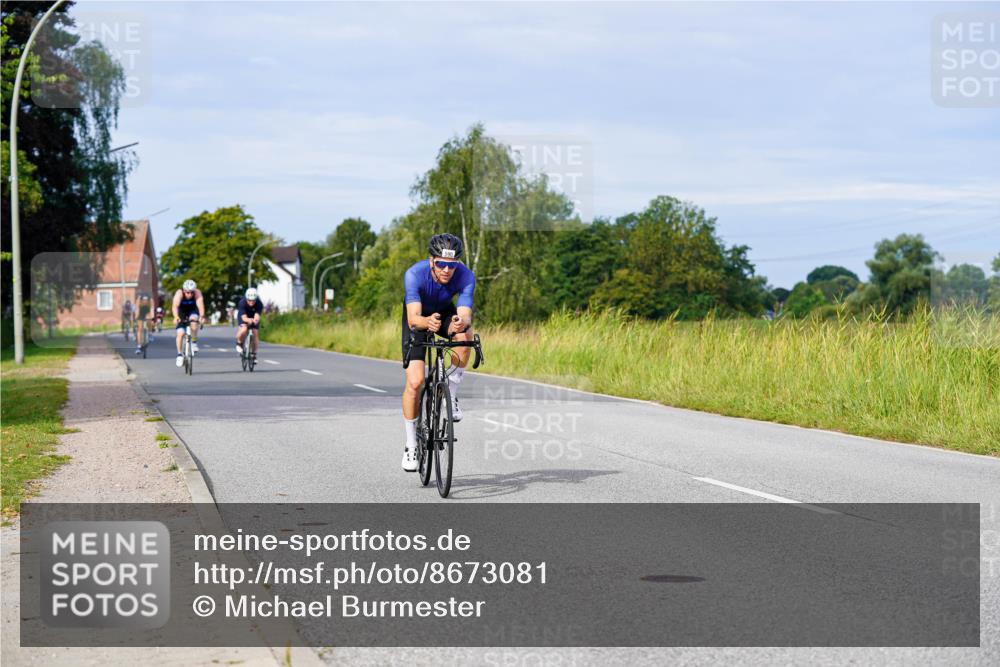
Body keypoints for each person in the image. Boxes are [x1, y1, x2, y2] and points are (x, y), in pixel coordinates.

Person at [400, 233, 476, 472]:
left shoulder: (465, 276)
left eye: (451, 265)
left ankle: (450, 394)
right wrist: (426, 323)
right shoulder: (414, 274)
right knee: (416, 382)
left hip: (444, 314)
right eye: (441, 264)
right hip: (418, 319)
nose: (446, 270)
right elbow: (413, 318)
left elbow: (465, 313)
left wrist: (458, 323)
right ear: (431, 260)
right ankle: (411, 444)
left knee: (465, 337)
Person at [172, 279, 205, 367]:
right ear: (183, 290)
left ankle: (194, 342)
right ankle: (179, 355)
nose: (190, 294)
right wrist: (176, 317)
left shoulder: (197, 293)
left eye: (191, 292)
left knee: (194, 321)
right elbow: (175, 306)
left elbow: (200, 305)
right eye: (187, 292)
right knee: (181, 333)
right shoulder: (179, 293)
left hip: (192, 310)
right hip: (181, 311)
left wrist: (202, 317)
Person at [235, 288, 263, 356]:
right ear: (246, 298)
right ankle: (239, 343)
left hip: (253, 316)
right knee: (244, 329)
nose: (251, 302)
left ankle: (254, 354)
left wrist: (255, 321)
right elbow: (244, 318)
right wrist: (248, 320)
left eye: (253, 300)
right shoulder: (242, 302)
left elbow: (257, 315)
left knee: (255, 333)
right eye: (249, 300)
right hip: (244, 316)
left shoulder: (259, 304)